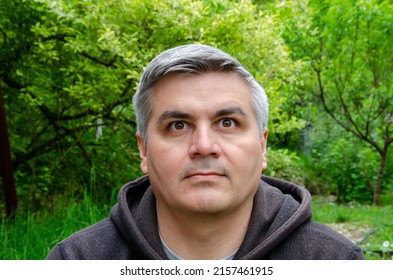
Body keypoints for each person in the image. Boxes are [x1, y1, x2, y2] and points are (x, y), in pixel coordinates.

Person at [46, 44, 365, 260]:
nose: (204, 147)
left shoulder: (335, 261)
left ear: (262, 145)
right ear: (144, 149)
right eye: (178, 126)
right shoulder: (75, 261)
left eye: (227, 122)